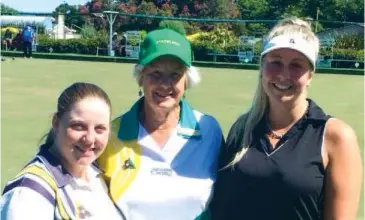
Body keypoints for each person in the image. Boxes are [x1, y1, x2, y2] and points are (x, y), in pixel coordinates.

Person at [209, 17, 363, 220]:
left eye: (297, 65)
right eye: (276, 62)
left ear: (310, 75)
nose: (284, 74)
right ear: (262, 67)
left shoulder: (335, 137)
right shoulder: (242, 128)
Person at [97, 28, 224, 220]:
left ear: (186, 81)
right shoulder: (111, 135)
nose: (165, 84)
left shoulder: (209, 130)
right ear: (141, 78)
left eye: (175, 74)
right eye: (155, 73)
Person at [1, 82, 124, 220]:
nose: (90, 139)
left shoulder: (98, 175)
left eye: (99, 129)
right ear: (56, 123)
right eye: (78, 126)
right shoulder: (30, 192)